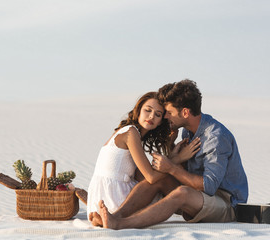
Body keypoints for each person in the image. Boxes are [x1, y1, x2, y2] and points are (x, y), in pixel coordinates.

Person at [92, 79, 248, 229]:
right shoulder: (188, 131)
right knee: (158, 180)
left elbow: (209, 186)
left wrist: (172, 168)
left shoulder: (215, 137)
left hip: (226, 203)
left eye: (169, 112)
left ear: (185, 112)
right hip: (198, 197)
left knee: (182, 192)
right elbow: (181, 171)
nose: (165, 117)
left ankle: (121, 224)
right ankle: (115, 217)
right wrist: (171, 147)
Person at [87, 91, 200, 222]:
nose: (151, 116)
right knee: (163, 180)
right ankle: (192, 210)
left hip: (99, 200)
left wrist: (171, 153)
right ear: (138, 110)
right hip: (112, 199)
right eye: (148, 110)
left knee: (163, 176)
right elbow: (151, 177)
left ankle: (189, 209)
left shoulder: (129, 133)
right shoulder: (131, 132)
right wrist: (179, 158)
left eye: (158, 114)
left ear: (160, 122)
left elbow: (141, 176)